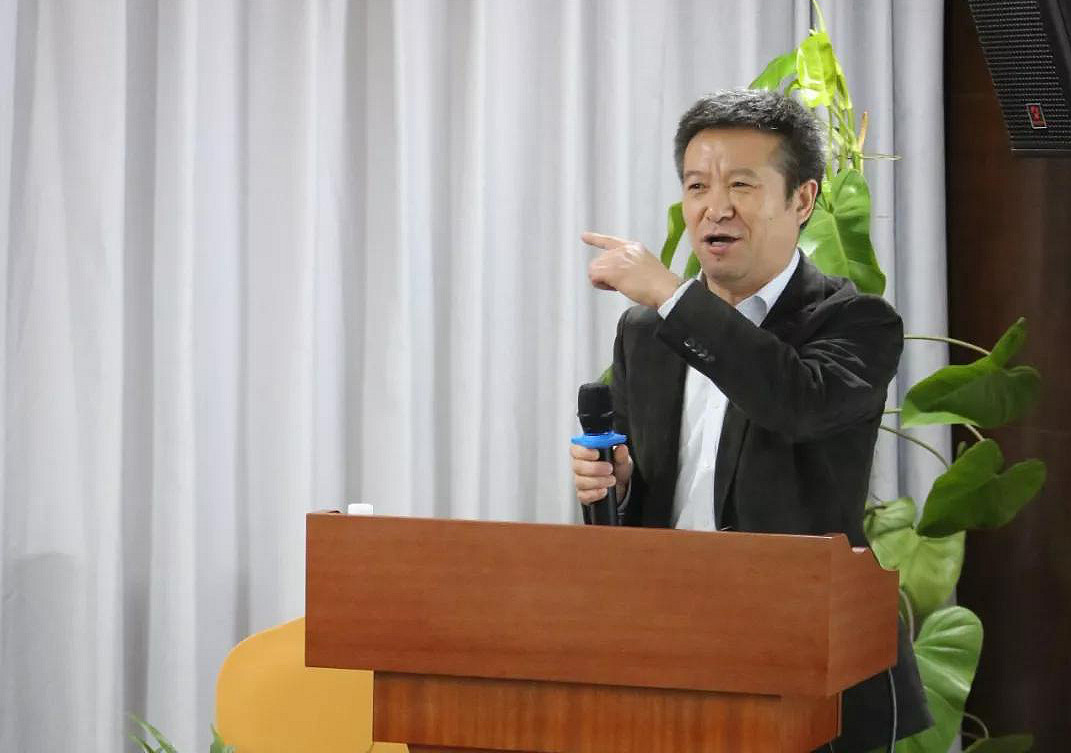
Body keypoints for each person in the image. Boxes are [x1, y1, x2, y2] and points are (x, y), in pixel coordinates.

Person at [571, 89, 931, 752]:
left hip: (806, 661)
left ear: (802, 199)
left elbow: (794, 402)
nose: (716, 207)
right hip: (669, 653)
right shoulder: (646, 332)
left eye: (741, 184)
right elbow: (643, 495)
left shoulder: (856, 322)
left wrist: (671, 293)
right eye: (697, 186)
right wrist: (615, 484)